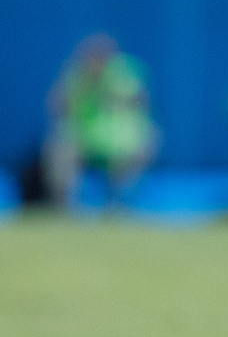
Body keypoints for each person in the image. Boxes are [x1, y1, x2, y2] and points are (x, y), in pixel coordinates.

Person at [43, 33, 159, 208]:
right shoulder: (77, 76)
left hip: (121, 145)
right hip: (86, 142)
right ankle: (66, 206)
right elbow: (56, 105)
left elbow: (139, 103)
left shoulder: (124, 74)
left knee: (147, 143)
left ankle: (120, 204)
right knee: (60, 146)